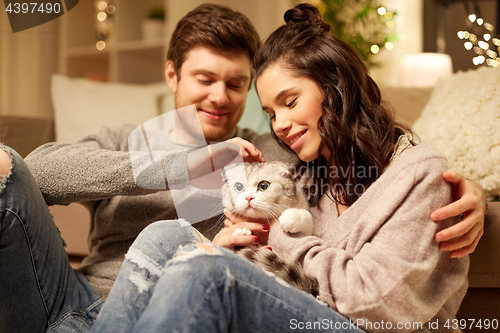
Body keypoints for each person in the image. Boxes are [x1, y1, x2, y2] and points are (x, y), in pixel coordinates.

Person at [0, 3, 485, 333]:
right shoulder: (126, 141)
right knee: (6, 168)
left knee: (174, 245)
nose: (218, 96)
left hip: (166, 305)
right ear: (173, 74)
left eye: (235, 84)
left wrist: (474, 188)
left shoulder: (267, 155)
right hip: (72, 295)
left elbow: (373, 160)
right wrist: (182, 165)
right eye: (205, 78)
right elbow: (40, 172)